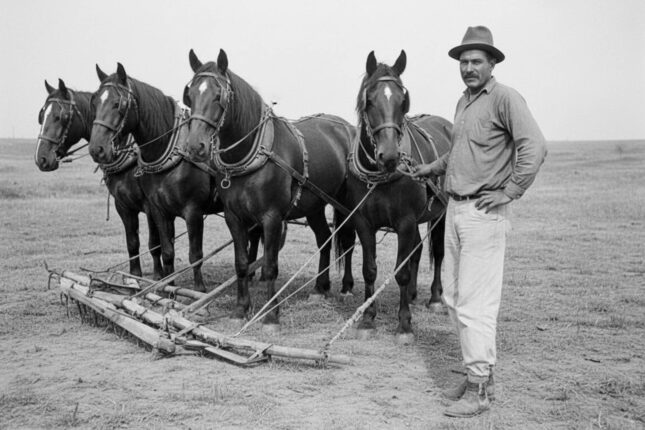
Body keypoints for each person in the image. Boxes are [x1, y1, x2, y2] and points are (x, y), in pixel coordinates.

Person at [412, 25, 547, 417]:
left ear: (492, 64)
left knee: (475, 305)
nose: (468, 68)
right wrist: (430, 168)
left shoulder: (505, 98)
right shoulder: (464, 101)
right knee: (454, 299)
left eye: (476, 61)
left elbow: (535, 147)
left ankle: (478, 391)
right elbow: (459, 151)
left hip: (484, 214)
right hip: (455, 208)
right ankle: (481, 375)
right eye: (464, 62)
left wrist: (510, 191)